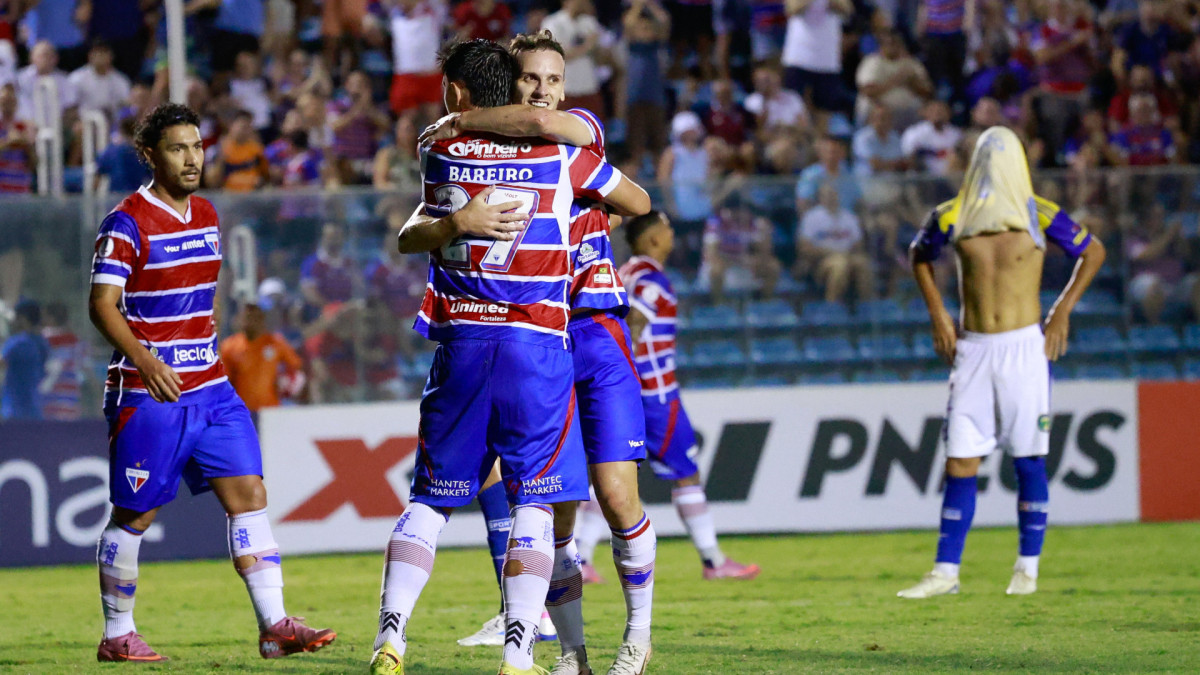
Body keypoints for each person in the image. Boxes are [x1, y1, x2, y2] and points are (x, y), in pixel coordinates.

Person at [368, 39, 650, 675]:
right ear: (513, 86)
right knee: (534, 503)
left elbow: (413, 233)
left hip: (462, 342)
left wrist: (456, 220)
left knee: (429, 501)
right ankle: (520, 655)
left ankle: (392, 637)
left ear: (460, 93)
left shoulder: (437, 147)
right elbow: (637, 200)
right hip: (536, 345)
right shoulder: (563, 154)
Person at [86, 102, 335, 661]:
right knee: (135, 515)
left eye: (198, 146)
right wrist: (148, 362)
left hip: (212, 387)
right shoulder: (126, 222)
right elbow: (102, 306)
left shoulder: (206, 214)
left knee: (249, 496)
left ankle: (274, 626)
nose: (193, 157)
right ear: (150, 155)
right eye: (178, 147)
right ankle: (116, 633)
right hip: (150, 390)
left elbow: (203, 295)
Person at [898, 126, 1106, 600]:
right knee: (960, 460)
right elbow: (918, 255)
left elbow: (1093, 251)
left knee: (1028, 458)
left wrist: (1061, 311)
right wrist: (939, 315)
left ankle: (1026, 568)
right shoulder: (953, 214)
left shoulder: (1039, 213)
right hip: (973, 349)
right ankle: (945, 572)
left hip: (1023, 349)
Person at [618, 212, 761, 581]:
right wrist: (625, 369)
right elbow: (635, 321)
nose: (671, 235)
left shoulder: (622, 273)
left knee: (610, 472)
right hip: (655, 393)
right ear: (651, 239)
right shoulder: (651, 279)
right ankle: (713, 561)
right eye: (665, 229)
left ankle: (582, 561)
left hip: (627, 392)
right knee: (685, 474)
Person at [219, 303, 305, 414]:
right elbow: (224, 381)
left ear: (262, 320)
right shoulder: (229, 347)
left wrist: (287, 384)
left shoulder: (275, 343)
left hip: (270, 409)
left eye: (255, 318)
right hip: (241, 411)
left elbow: (296, 366)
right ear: (239, 319)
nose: (250, 322)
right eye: (247, 317)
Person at [1, 300, 49, 421]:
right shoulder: (42, 343)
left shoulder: (17, 342)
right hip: (35, 407)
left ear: (23, 319)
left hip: (13, 408)